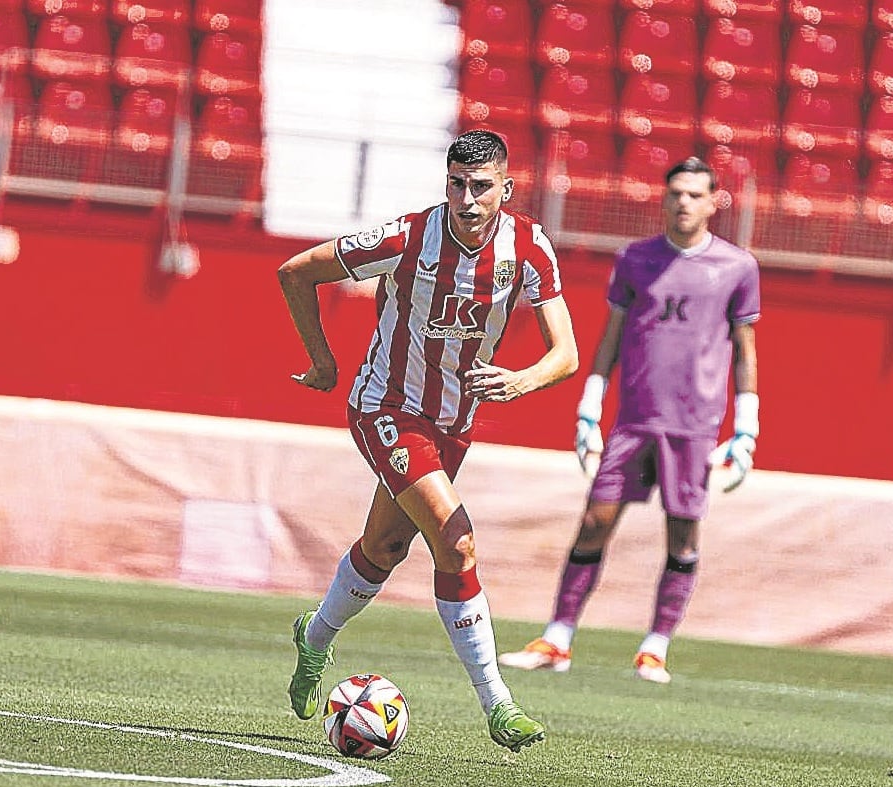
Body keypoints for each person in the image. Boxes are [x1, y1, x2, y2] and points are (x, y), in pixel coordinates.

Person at [276, 129, 579, 752]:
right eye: (456, 185)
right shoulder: (409, 237)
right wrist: (324, 363)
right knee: (455, 538)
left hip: (452, 425)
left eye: (481, 187)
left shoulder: (528, 246)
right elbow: (296, 271)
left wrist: (519, 382)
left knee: (384, 546)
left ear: (506, 189)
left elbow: (566, 354)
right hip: (386, 407)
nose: (467, 201)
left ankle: (315, 637)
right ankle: (499, 703)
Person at [498, 156, 760, 685]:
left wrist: (747, 428)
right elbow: (611, 334)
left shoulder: (737, 268)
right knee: (595, 521)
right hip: (633, 420)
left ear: (713, 202)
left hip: (694, 426)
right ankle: (558, 638)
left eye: (694, 194)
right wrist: (590, 405)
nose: (683, 202)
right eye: (675, 193)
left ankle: (656, 646)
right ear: (663, 199)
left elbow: (745, 349)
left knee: (682, 535)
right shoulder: (635, 259)